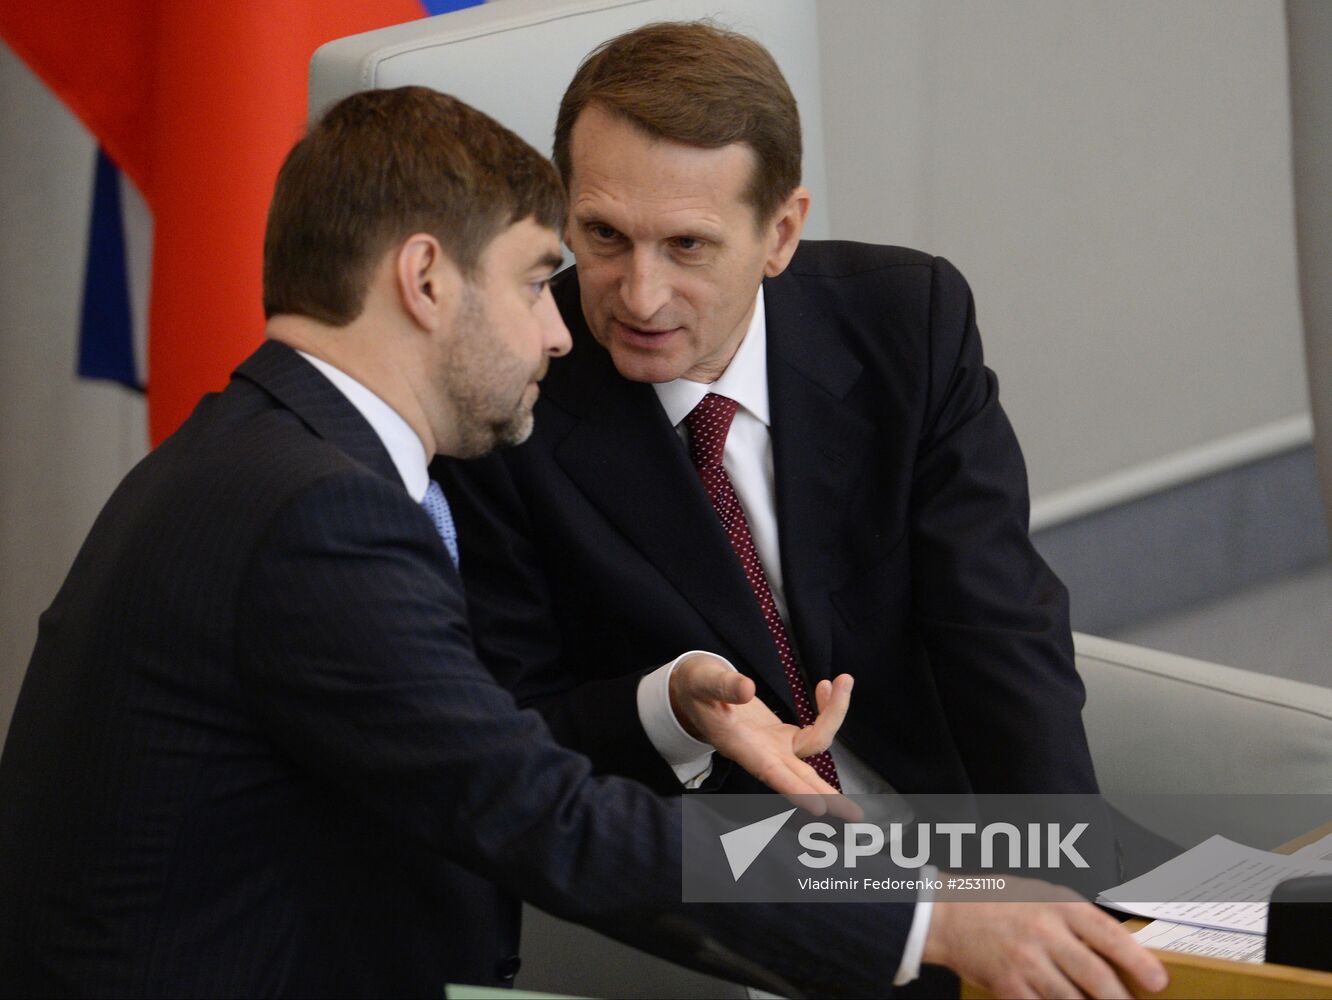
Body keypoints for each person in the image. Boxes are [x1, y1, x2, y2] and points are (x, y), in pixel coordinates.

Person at [0, 85, 924, 999]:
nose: (561, 333)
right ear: (428, 279)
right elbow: (542, 817)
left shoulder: (256, 454)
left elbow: (468, 761)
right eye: (533, 282)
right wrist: (927, 920)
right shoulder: (318, 517)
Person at [436, 20, 1155, 997]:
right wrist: (672, 711)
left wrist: (1054, 884)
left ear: (779, 232)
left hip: (961, 832)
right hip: (741, 878)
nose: (637, 295)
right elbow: (514, 731)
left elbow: (999, 625)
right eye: (603, 236)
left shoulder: (908, 319)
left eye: (688, 245)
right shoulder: (511, 397)